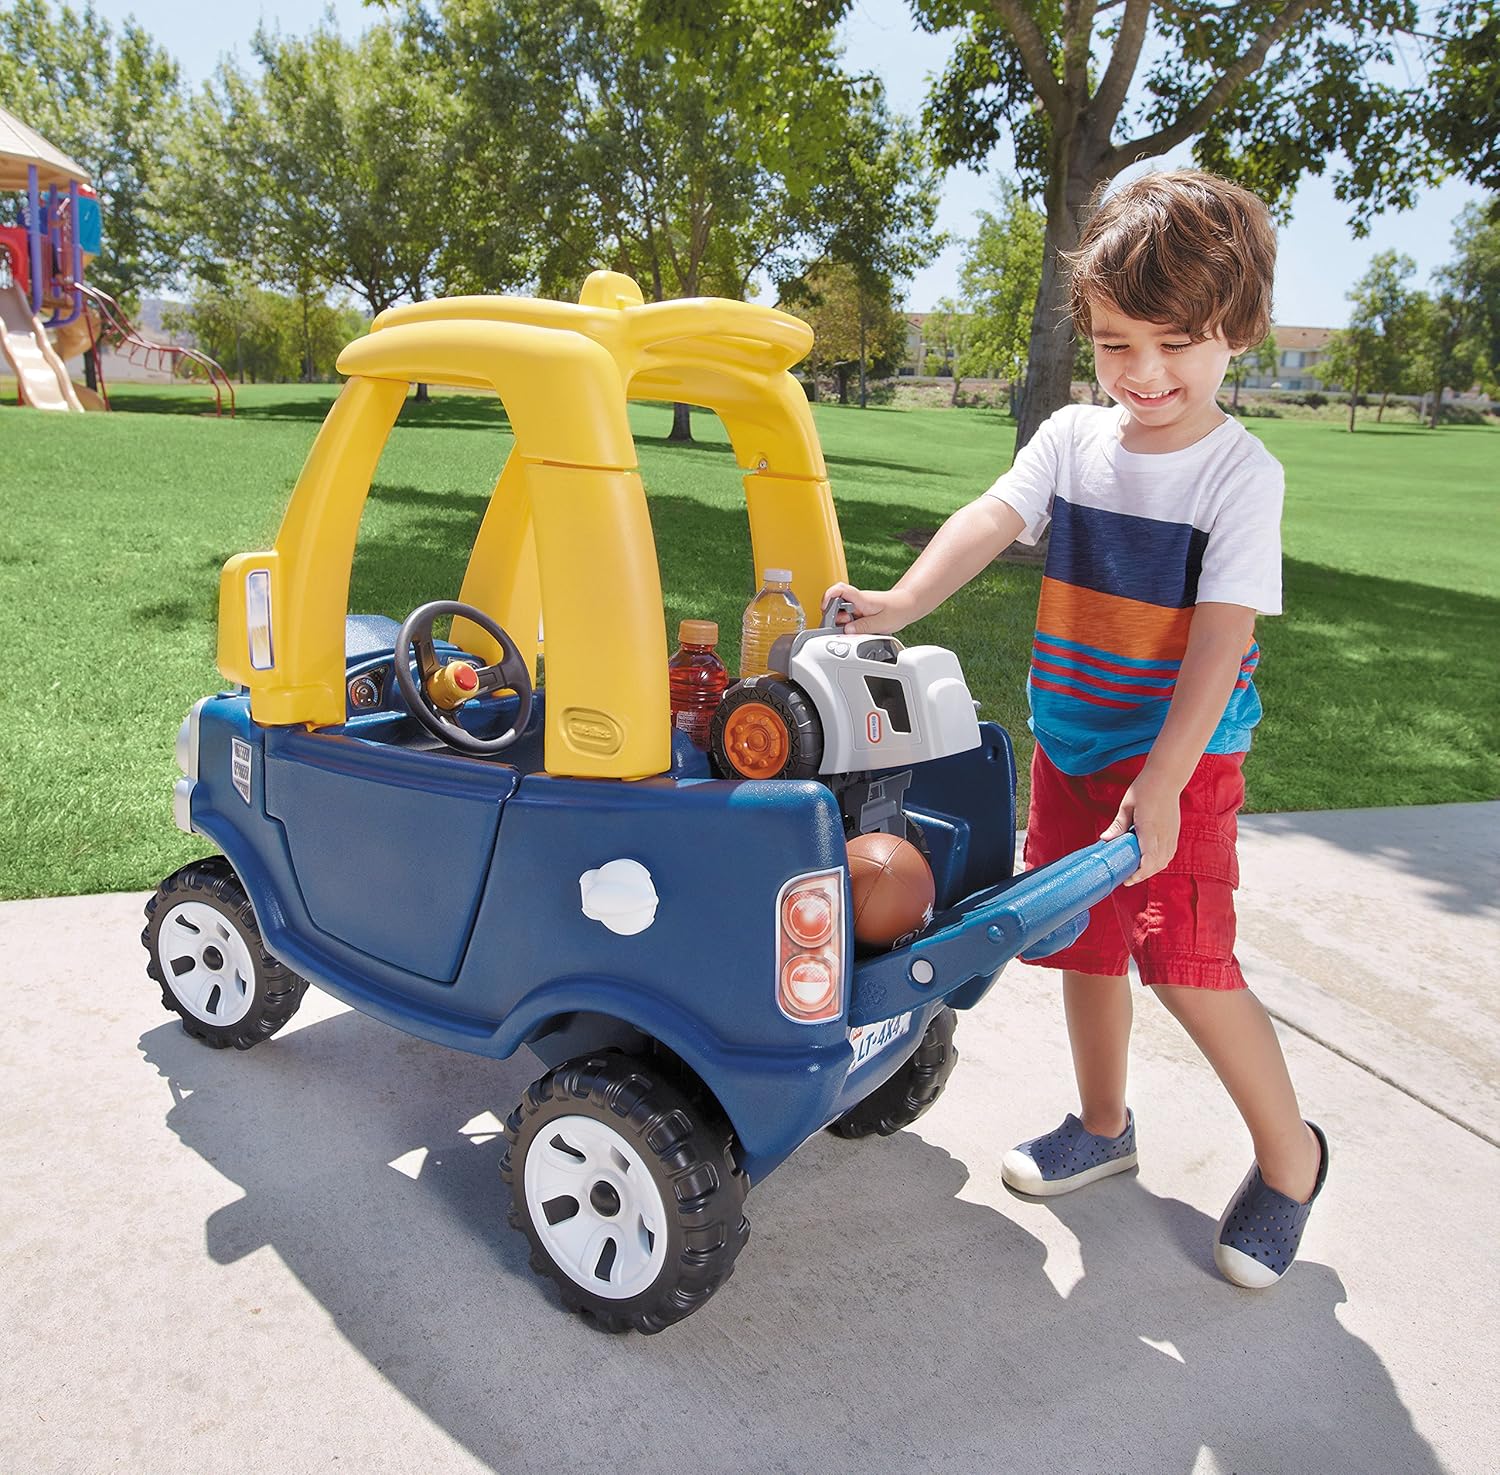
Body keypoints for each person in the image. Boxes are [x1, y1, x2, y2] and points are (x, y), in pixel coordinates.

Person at [824, 169, 1327, 1289]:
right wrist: (901, 601)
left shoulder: (1241, 475)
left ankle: (1291, 1161)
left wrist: (1165, 776)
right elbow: (989, 518)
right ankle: (1103, 1124)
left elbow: (1217, 644)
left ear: (1236, 331)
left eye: (1176, 343)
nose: (1143, 374)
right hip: (1076, 745)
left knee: (1186, 963)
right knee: (1082, 943)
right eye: (1115, 344)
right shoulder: (1071, 439)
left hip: (1182, 765)